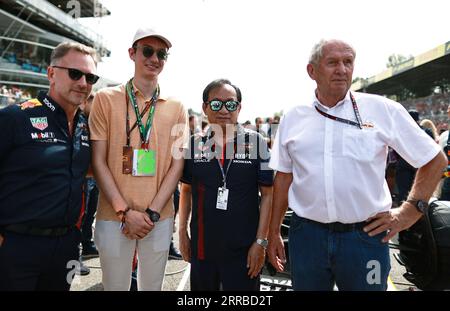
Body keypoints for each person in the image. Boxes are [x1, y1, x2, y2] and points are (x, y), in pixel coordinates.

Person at [267, 39, 446, 291]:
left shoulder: (382, 109)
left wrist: (409, 212)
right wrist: (273, 231)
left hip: (365, 237)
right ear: (312, 71)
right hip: (307, 235)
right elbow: (283, 177)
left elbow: (435, 159)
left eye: (348, 62)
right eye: (332, 62)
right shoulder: (294, 117)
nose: (342, 69)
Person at [89, 27, 188, 291]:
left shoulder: (176, 106)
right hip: (113, 216)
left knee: (152, 288)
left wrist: (152, 212)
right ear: (132, 53)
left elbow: (177, 165)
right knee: (115, 287)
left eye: (162, 54)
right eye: (147, 51)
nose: (155, 58)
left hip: (159, 217)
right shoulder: (104, 98)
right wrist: (124, 212)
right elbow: (98, 161)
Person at [0, 42, 98, 290]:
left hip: (65, 248)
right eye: (75, 74)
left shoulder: (87, 127)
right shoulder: (16, 117)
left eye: (90, 77)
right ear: (51, 73)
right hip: (16, 245)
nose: (83, 83)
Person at [178, 79, 273, 290]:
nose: (223, 110)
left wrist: (261, 242)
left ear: (239, 108)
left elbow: (268, 195)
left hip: (245, 249)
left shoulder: (257, 143)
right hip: (203, 248)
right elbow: (185, 191)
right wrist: (182, 233)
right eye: (215, 104)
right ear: (205, 107)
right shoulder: (193, 145)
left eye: (230, 104)